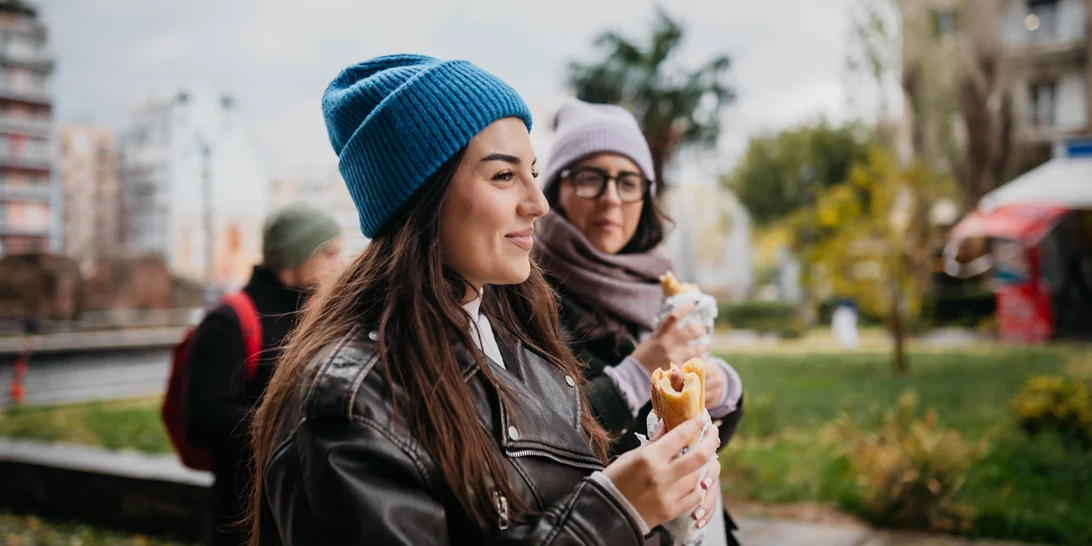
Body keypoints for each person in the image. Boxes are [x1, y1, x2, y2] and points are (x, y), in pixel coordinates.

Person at [246, 54, 723, 546]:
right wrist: (616, 512)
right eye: (503, 175)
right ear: (421, 195)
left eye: (532, 172)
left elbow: (553, 508)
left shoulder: (523, 338)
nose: (537, 202)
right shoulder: (351, 399)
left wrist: (658, 508)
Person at [533, 98, 745, 544]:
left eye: (627, 181)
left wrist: (724, 390)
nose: (611, 197)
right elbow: (538, 445)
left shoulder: (657, 284)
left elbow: (689, 438)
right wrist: (636, 373)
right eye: (590, 178)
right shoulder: (526, 294)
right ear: (555, 190)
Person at [185, 202, 342, 546]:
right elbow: (202, 419)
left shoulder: (309, 313)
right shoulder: (228, 320)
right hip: (244, 518)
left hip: (300, 509)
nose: (339, 265)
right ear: (297, 255)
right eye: (329, 254)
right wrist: (293, 426)